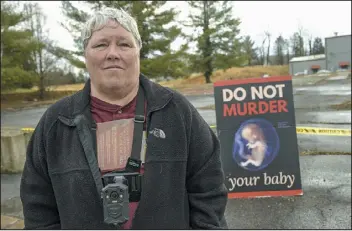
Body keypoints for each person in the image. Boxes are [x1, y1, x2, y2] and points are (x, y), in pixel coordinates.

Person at [20, 7, 228, 230]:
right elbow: (38, 207)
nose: (112, 53)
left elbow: (209, 188)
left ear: (138, 51)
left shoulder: (176, 110)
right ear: (85, 54)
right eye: (101, 44)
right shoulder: (56, 123)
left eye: (124, 44)